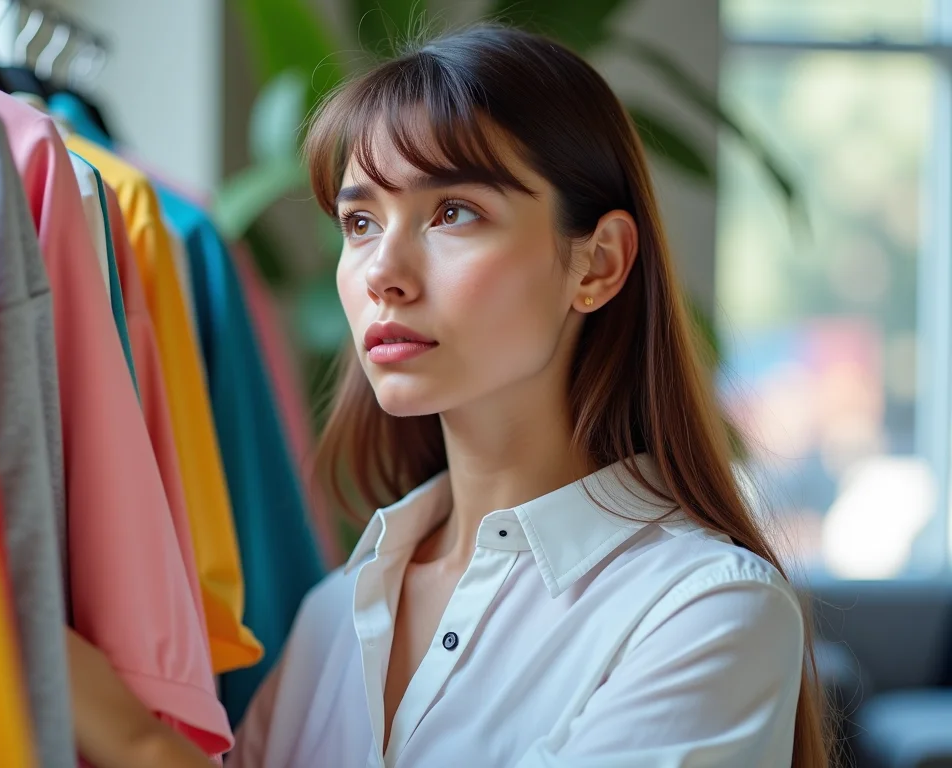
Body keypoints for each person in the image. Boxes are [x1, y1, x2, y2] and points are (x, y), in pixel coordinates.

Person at [66, 24, 832, 768]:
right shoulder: (335, 615)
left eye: (453, 212)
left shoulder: (706, 611)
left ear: (597, 263)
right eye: (359, 221)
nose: (382, 272)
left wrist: (133, 740)